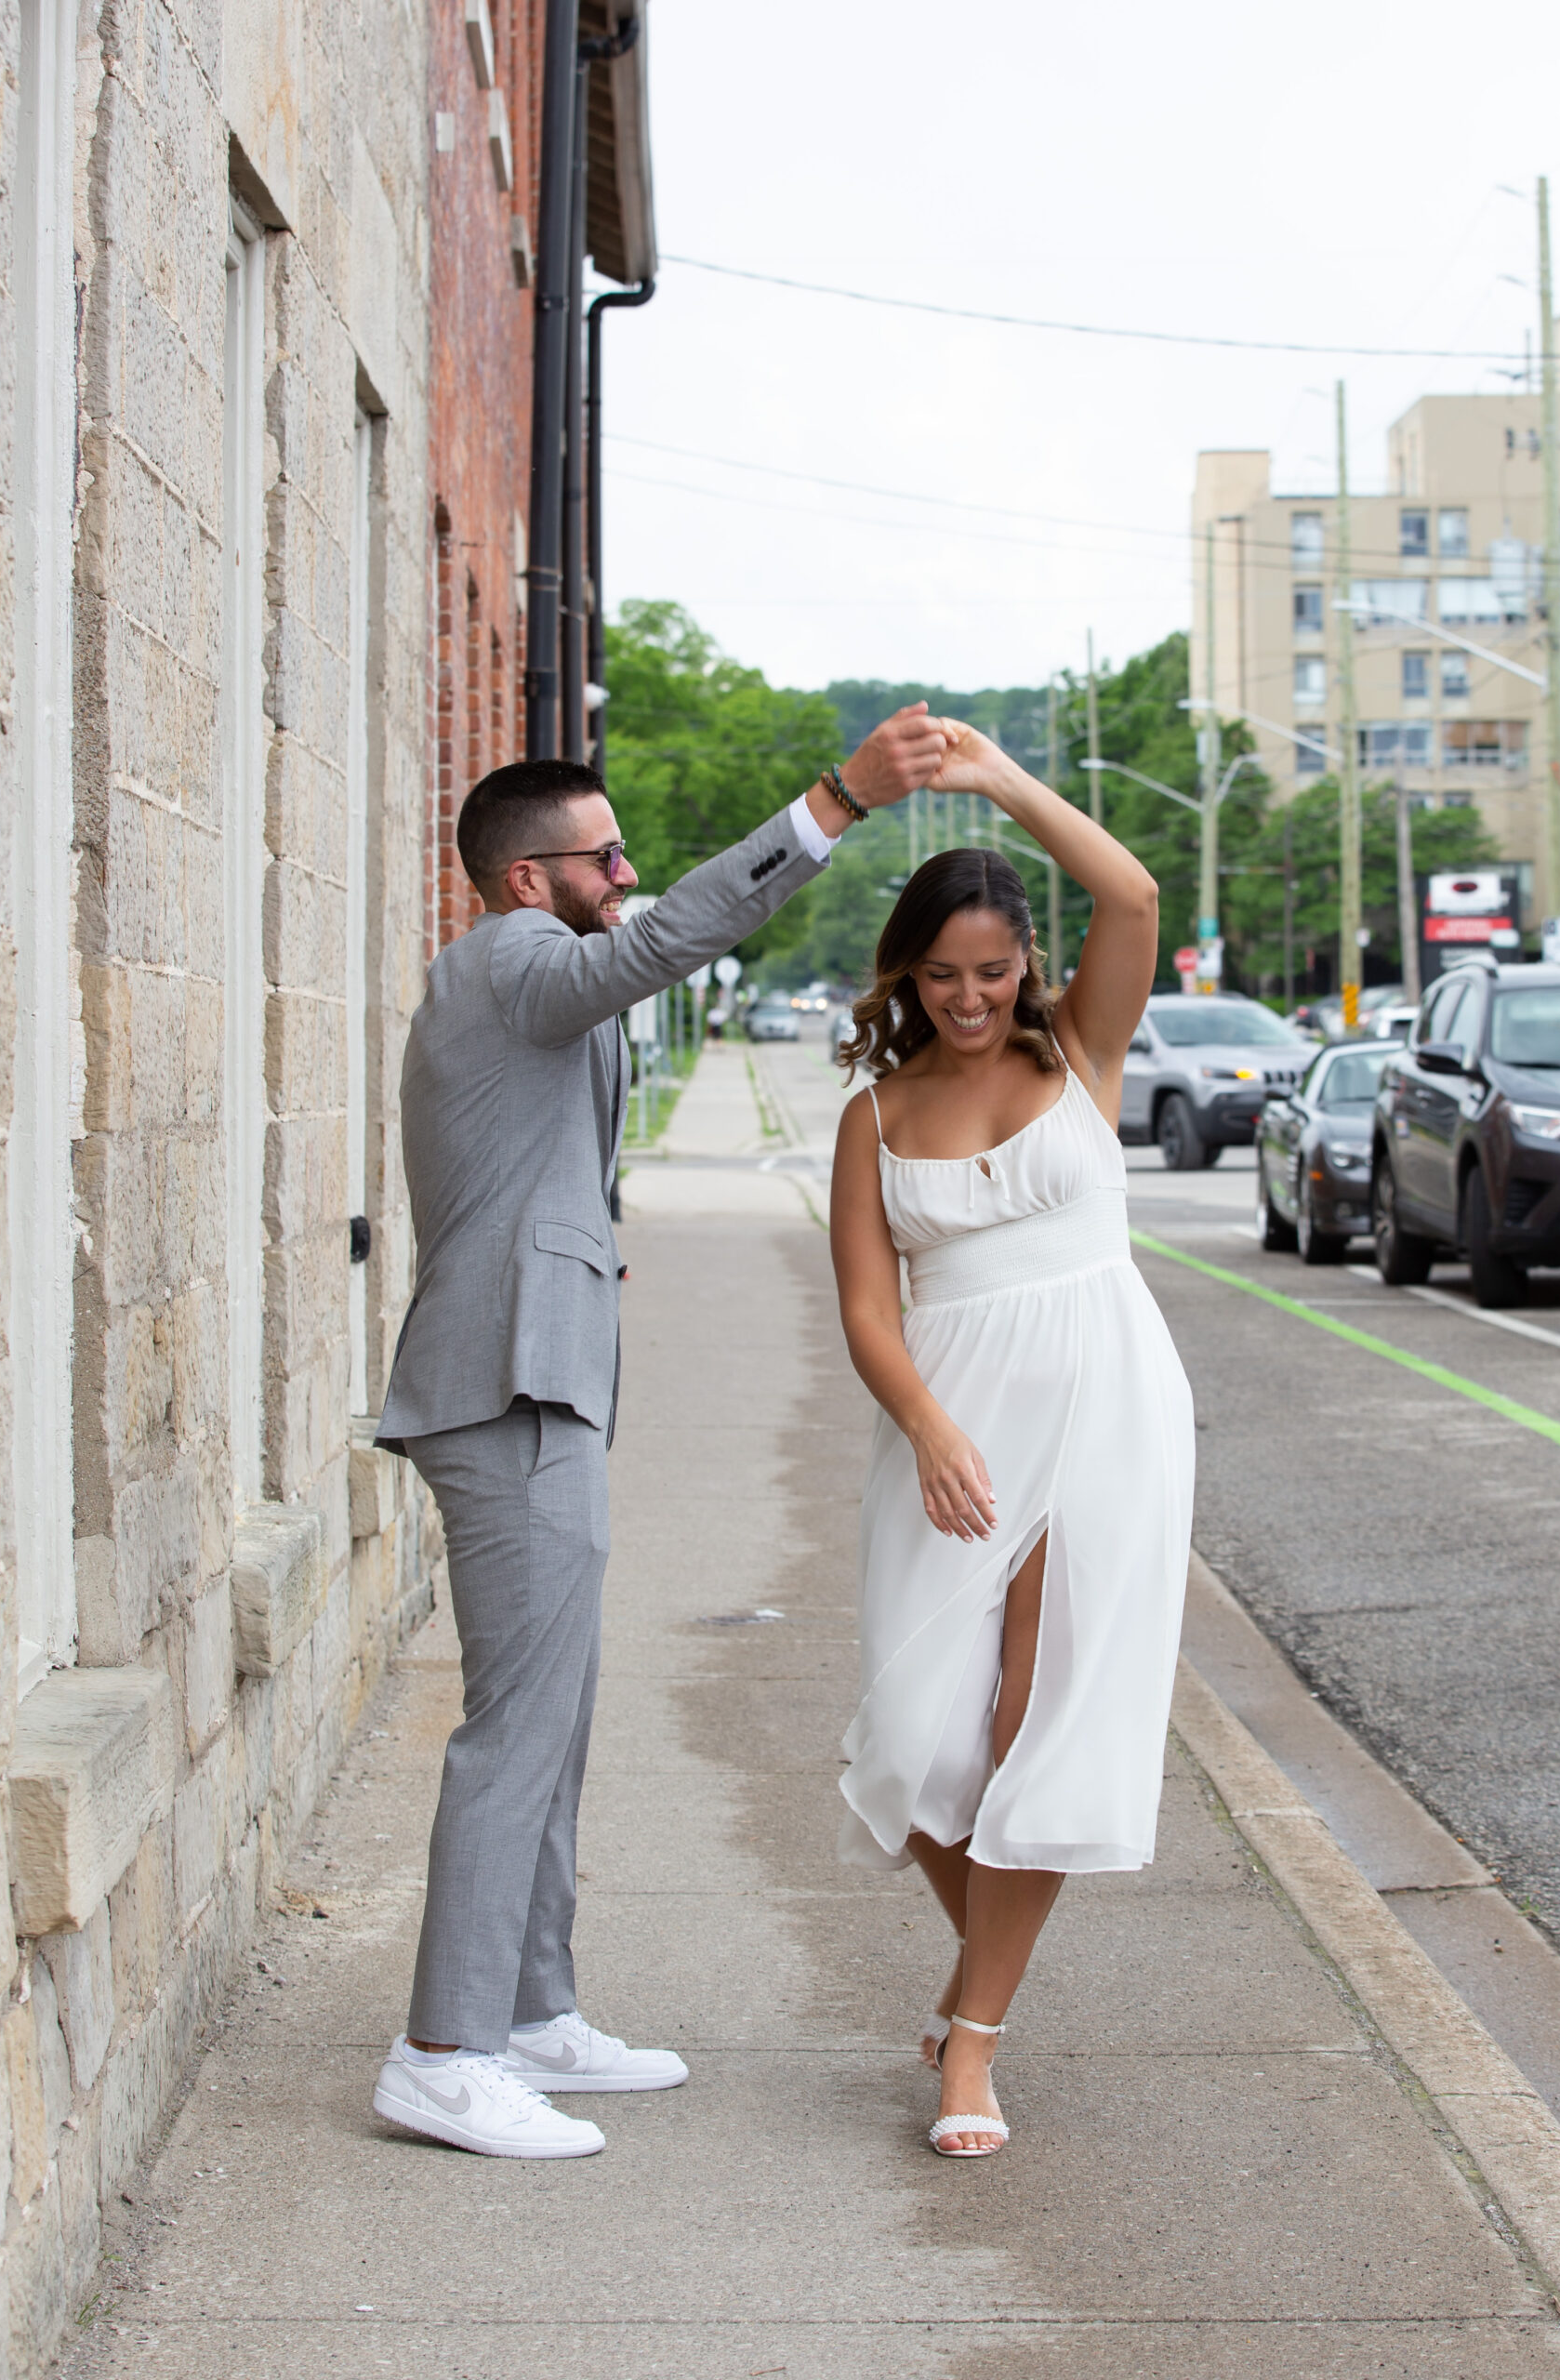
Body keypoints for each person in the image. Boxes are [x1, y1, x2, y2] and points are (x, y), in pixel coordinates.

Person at [371, 708, 949, 2160]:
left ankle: (529, 2012)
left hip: (535, 1378)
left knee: (551, 1719)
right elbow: (666, 941)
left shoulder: (524, 980)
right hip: (503, 1389)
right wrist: (834, 803)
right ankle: (441, 2053)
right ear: (526, 880)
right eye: (603, 856)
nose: (625, 874)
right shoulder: (511, 960)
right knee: (516, 1732)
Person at [828, 720, 1194, 2159]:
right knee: (916, 1743)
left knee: (1035, 1722)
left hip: (1103, 1404)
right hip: (952, 1428)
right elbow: (867, 1311)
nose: (970, 997)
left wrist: (997, 781)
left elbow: (1133, 895)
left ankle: (971, 2043)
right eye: (941, 974)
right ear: (904, 976)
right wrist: (927, 1430)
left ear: (1025, 964)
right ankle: (976, 1974)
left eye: (991, 970)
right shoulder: (875, 1113)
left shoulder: (1079, 1052)